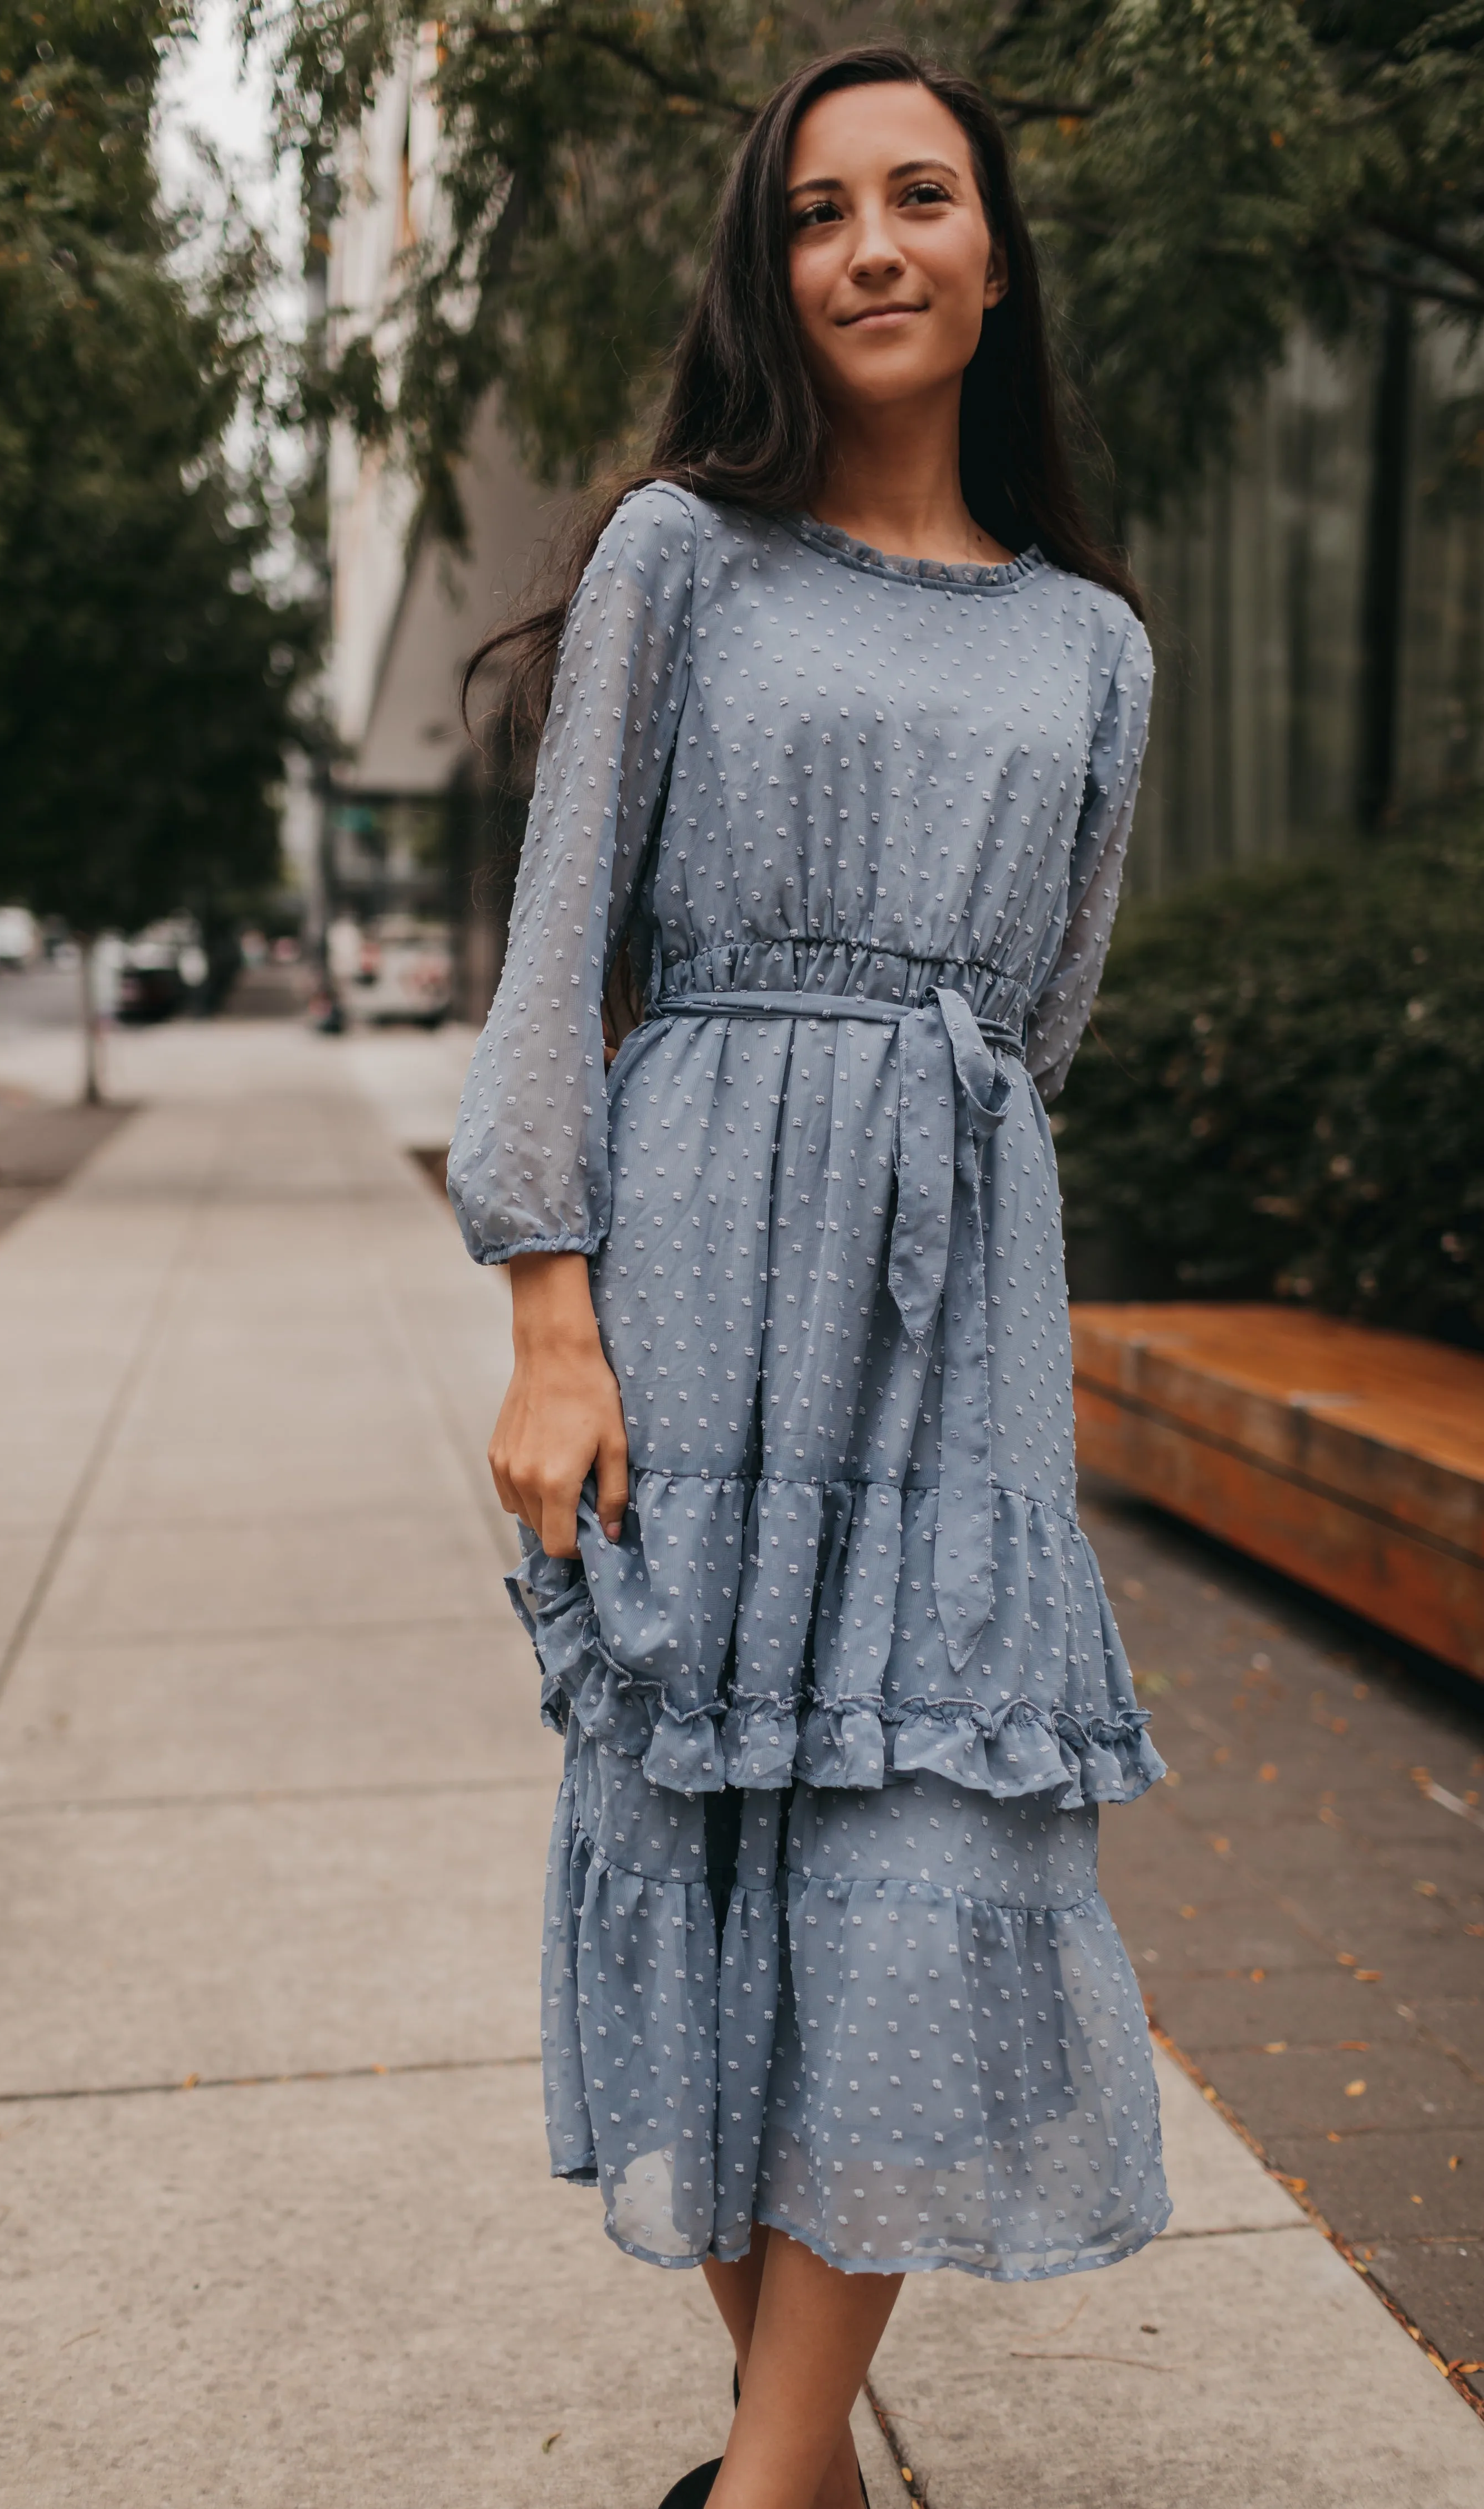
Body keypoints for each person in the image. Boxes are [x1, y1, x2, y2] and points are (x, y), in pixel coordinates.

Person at [449, 46, 1170, 2509]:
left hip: (946, 1309)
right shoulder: (675, 556)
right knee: (705, 1844)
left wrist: (908, 1126)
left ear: (994, 254)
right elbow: (564, 954)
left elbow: (1036, 1020)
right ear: (776, 268)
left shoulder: (1096, 647)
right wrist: (552, 1317)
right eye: (819, 212)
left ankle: (768, 2492)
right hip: (685, 1278)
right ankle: (808, 2477)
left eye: (922, 200)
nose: (872, 246)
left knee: (906, 1860)